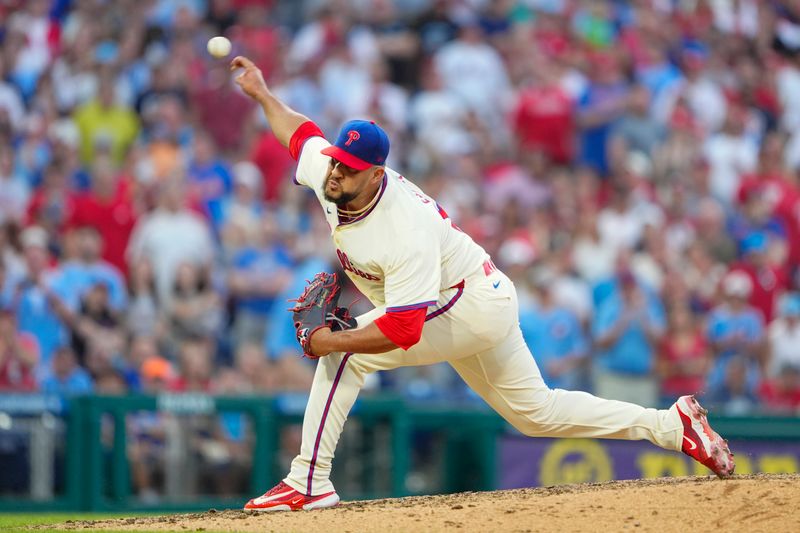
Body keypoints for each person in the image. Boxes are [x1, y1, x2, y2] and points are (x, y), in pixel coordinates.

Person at [229, 56, 734, 512]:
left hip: (466, 303)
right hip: (479, 296)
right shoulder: (330, 172)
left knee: (347, 356)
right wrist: (263, 93)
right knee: (537, 414)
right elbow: (300, 134)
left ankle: (309, 481)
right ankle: (673, 426)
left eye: (352, 167)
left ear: (378, 173)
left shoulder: (403, 230)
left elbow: (403, 329)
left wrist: (329, 341)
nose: (338, 171)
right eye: (339, 160)